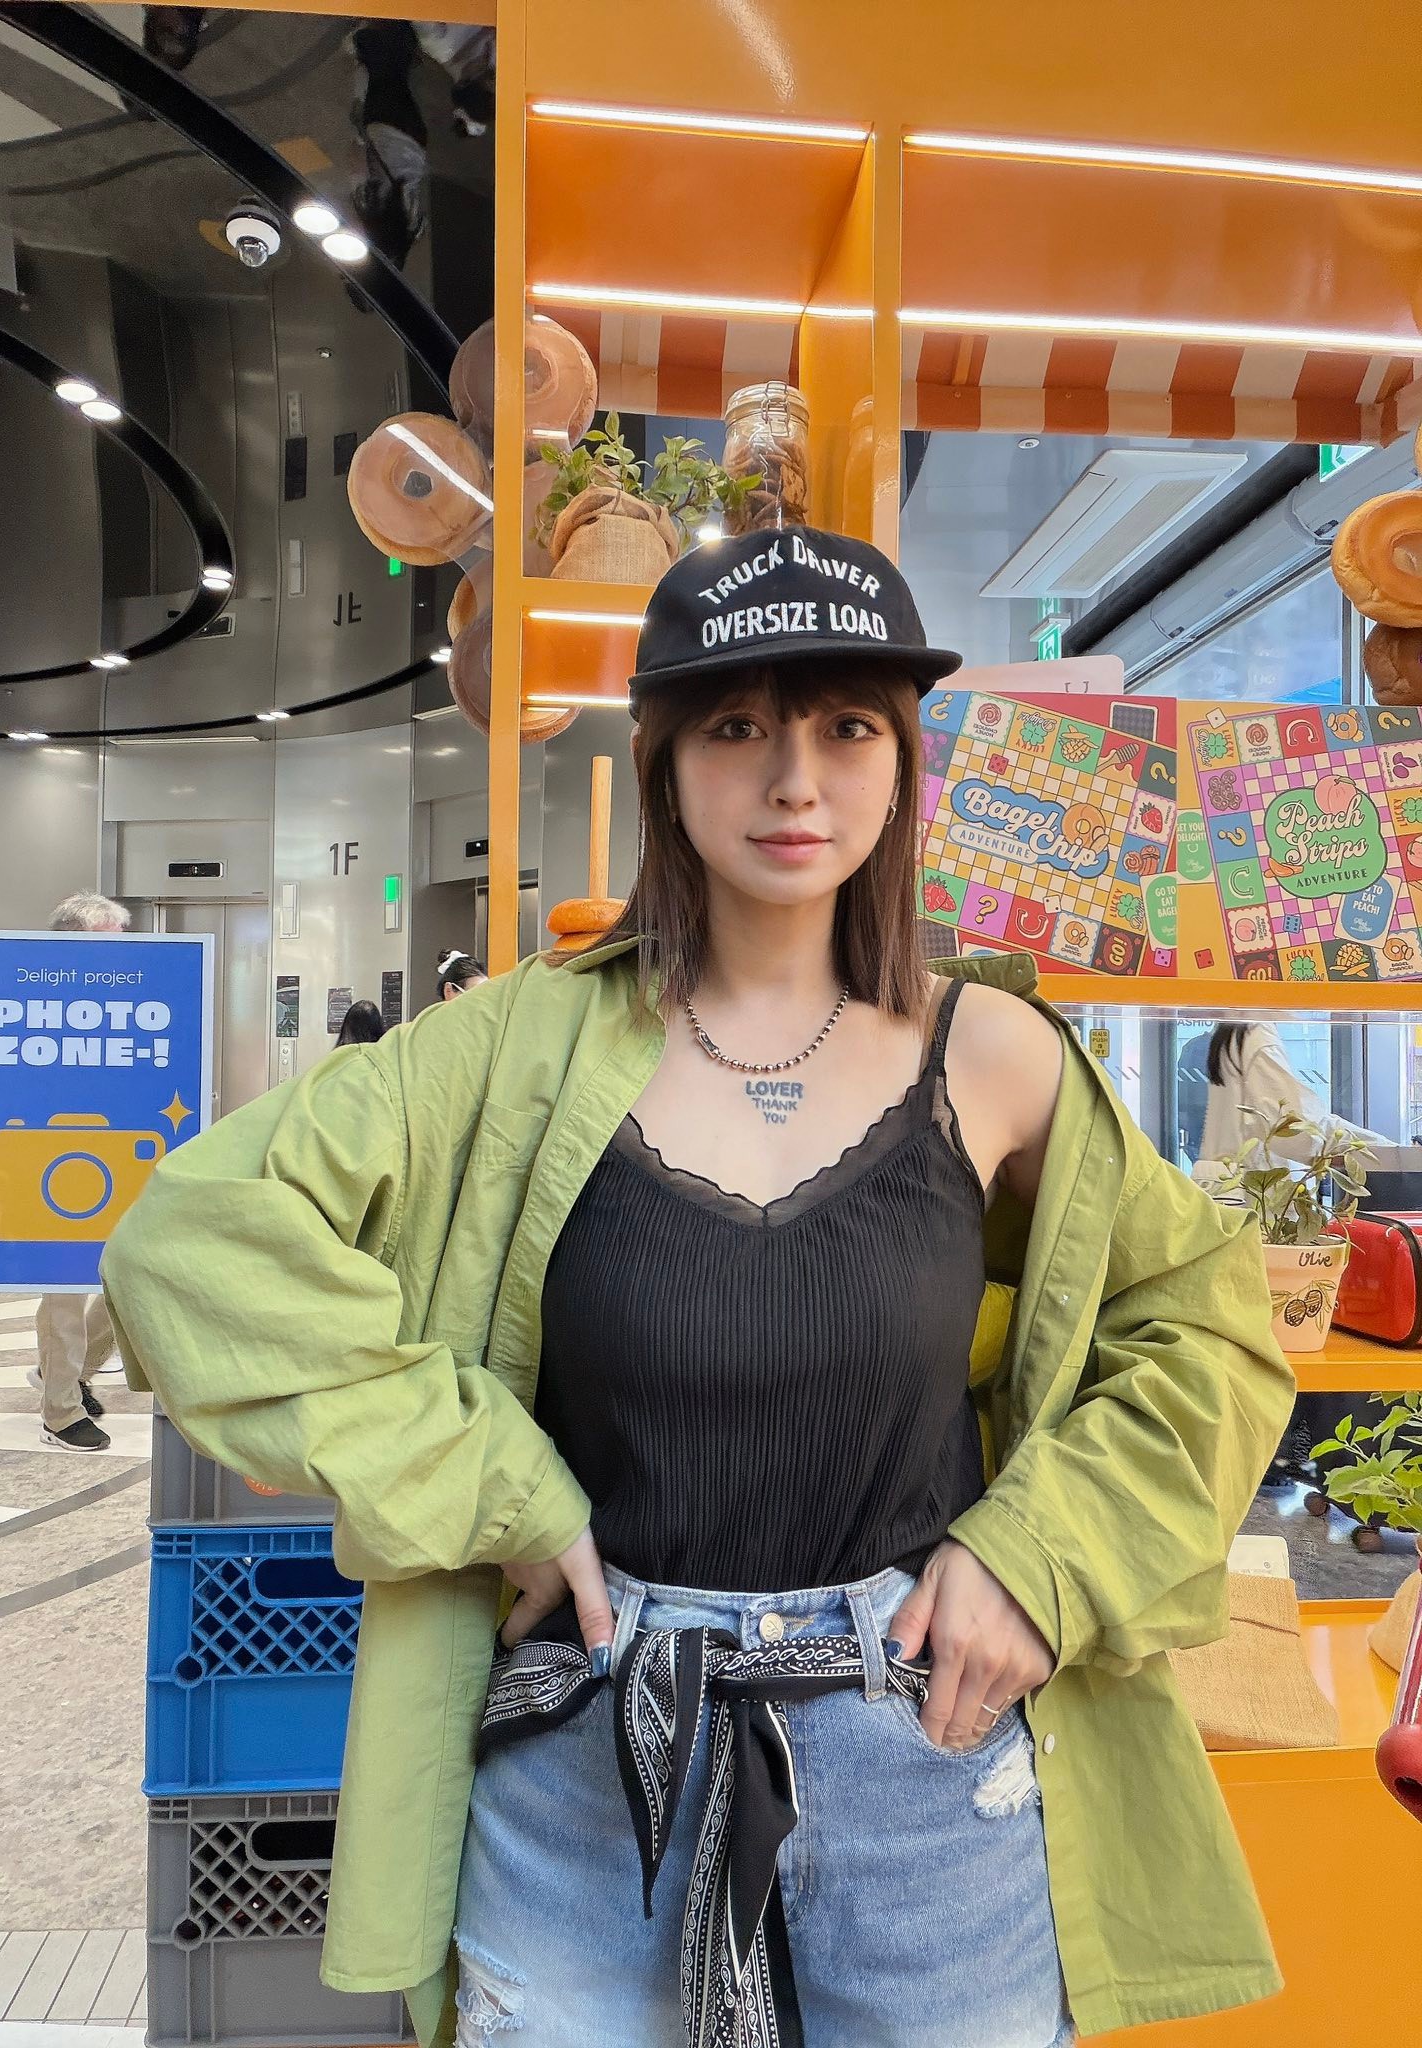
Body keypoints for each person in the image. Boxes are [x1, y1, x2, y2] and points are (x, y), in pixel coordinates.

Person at [104, 528, 1293, 2048]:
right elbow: (190, 1241)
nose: (795, 780)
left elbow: (1205, 1321)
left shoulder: (993, 1056)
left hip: (927, 1757)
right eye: (736, 726)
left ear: (902, 765)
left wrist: (1040, 1558)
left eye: (846, 726)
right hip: (583, 1765)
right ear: (663, 764)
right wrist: (492, 1485)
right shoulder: (515, 1046)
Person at [29, 891, 129, 1451]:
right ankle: (61, 1410)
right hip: (58, 1162)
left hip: (117, 1158)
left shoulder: (130, 998)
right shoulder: (37, 994)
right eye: (108, 943)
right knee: (64, 1288)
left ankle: (67, 1371)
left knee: (127, 1279)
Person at [1192, 1020, 1385, 1188]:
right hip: (1252, 1195)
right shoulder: (1256, 1033)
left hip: (1231, 1187)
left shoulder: (1237, 1030)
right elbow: (1292, 1131)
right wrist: (1382, 1151)